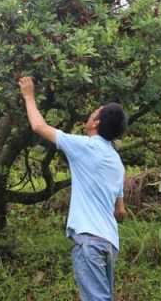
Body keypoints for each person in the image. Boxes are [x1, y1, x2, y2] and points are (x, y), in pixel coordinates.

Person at [18, 76, 127, 301]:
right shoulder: (117, 162)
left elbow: (38, 126)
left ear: (96, 122)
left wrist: (28, 95)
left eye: (94, 113)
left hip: (90, 241)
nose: (90, 115)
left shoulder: (85, 147)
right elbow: (121, 212)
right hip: (109, 244)